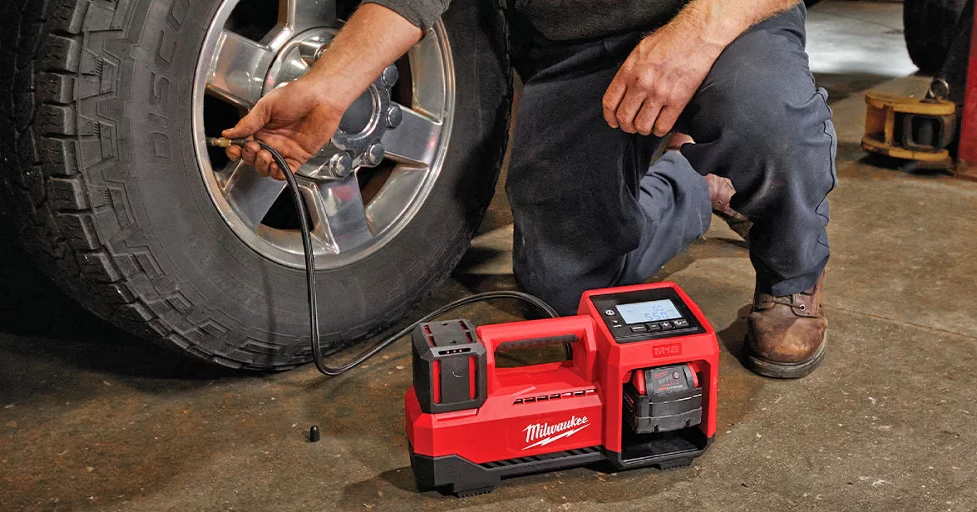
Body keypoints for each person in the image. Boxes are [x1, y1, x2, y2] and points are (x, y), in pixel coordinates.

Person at [222, 0, 837, 379]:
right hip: (574, 47)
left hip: (724, 19)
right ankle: (693, 184)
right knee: (566, 301)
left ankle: (791, 280)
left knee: (764, 118)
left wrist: (698, 33)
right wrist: (328, 89)